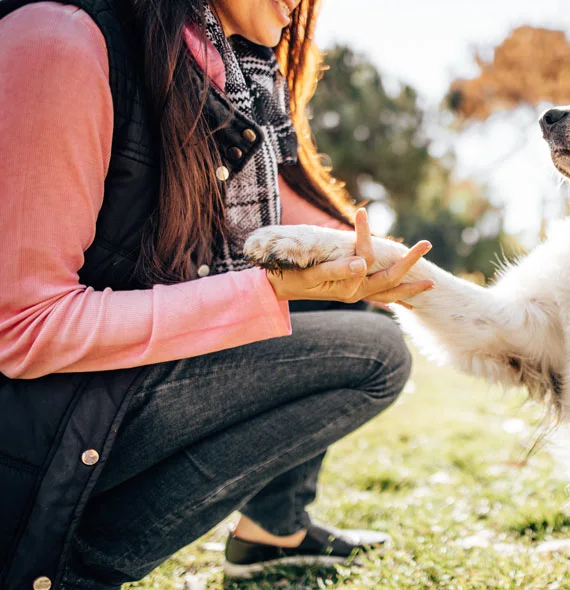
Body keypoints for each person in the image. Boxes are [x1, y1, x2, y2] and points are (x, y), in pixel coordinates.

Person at [0, 0, 435, 588]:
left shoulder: (226, 79)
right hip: (43, 426)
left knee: (348, 300)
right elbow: (21, 328)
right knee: (375, 354)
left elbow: (294, 217)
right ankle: (72, 562)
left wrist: (377, 266)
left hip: (104, 387)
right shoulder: (61, 39)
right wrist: (266, 292)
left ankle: (272, 530)